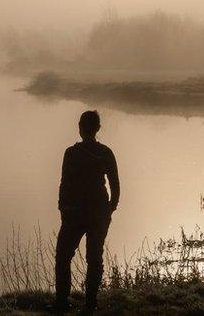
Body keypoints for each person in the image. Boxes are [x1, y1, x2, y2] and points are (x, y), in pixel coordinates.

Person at [53, 110, 119, 313]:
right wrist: (110, 209)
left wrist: (63, 208)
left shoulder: (71, 153)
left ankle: (62, 302)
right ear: (98, 129)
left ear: (80, 128)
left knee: (63, 256)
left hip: (75, 212)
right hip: (98, 211)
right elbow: (115, 185)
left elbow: (65, 184)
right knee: (94, 257)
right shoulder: (106, 152)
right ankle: (90, 302)